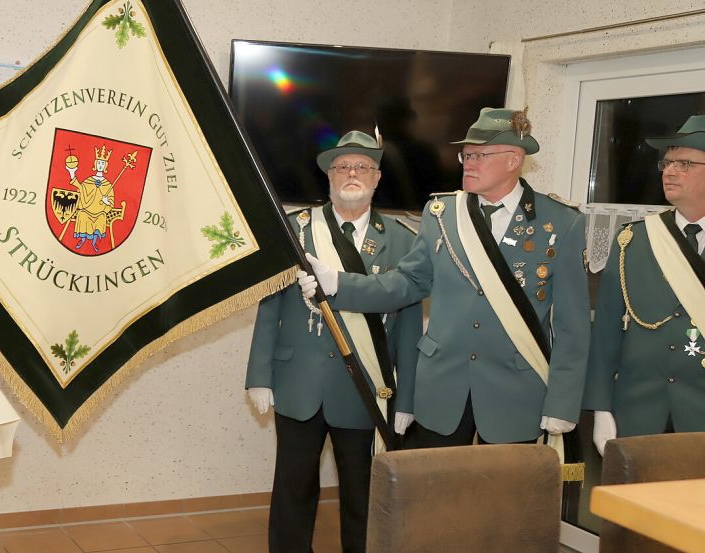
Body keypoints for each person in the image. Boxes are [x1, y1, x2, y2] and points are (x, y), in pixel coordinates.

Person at [302, 108, 589, 449]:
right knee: (436, 496)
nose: (467, 162)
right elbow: (407, 283)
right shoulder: (443, 213)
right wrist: (338, 283)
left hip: (516, 389)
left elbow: (572, 327)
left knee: (504, 500)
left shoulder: (560, 222)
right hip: (442, 389)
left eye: (479, 155)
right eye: (465, 155)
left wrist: (563, 402)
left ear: (513, 160)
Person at [246, 130, 422, 553]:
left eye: (362, 167)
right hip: (298, 383)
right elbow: (269, 306)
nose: (352, 174)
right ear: (328, 175)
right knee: (292, 491)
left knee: (363, 496)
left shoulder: (403, 240)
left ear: (378, 178)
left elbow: (411, 324)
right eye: (342, 166)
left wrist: (409, 398)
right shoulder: (295, 231)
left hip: (365, 389)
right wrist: (258, 376)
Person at [584, 114, 705, 454]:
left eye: (685, 163)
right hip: (637, 414)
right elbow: (605, 334)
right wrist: (601, 409)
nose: (670, 171)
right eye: (667, 163)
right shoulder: (632, 240)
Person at [66, 144, 115, 252]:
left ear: (105, 166)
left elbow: (111, 201)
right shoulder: (89, 180)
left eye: (103, 163)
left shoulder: (108, 184)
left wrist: (107, 202)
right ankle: (83, 240)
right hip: (87, 210)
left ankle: (94, 242)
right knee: (82, 215)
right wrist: (72, 173)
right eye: (99, 163)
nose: (100, 165)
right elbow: (81, 188)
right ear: (95, 164)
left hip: (99, 212)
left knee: (102, 217)